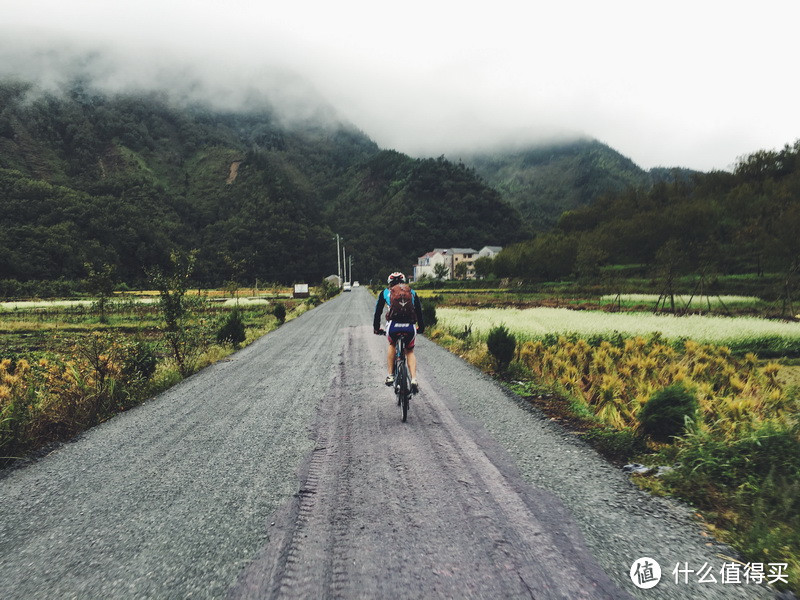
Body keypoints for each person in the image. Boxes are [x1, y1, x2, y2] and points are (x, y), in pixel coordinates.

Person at [373, 271, 425, 393]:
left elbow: (377, 312)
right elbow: (419, 312)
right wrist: (421, 328)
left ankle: (391, 375)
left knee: (392, 344)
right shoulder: (411, 292)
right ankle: (413, 379)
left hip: (393, 327)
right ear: (403, 282)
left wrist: (376, 328)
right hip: (409, 327)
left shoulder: (385, 293)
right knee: (410, 351)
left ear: (389, 283)